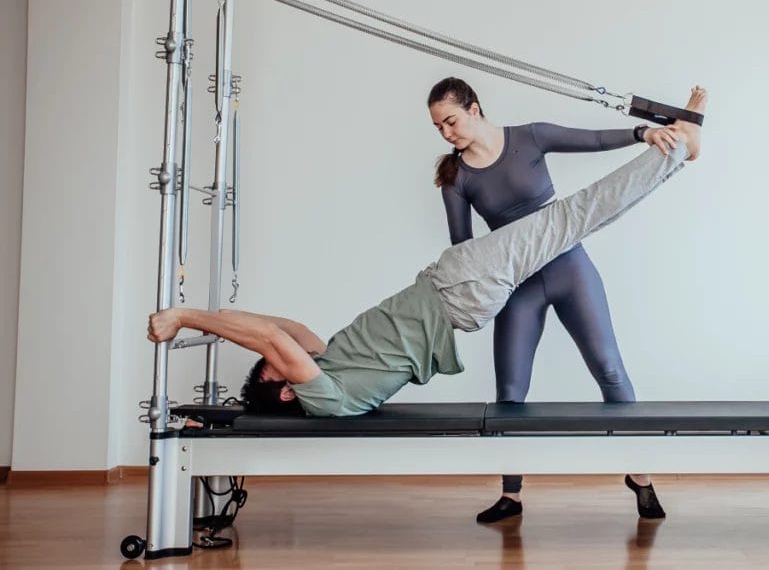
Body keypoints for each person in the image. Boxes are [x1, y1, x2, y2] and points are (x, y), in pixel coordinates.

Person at [147, 86, 706, 495]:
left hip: (457, 278)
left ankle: (674, 151)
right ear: (291, 390)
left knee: (574, 225)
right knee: (574, 218)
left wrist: (222, 320)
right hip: (461, 288)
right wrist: (187, 317)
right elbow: (272, 338)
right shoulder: (325, 395)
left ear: (473, 110)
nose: (291, 357)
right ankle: (680, 148)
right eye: (282, 367)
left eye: (451, 121)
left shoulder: (331, 364)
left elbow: (286, 330)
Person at [428, 77, 677, 522]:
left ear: (475, 108)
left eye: (451, 121)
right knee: (511, 391)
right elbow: (463, 248)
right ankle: (512, 495)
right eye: (439, 128)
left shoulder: (530, 137)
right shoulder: (457, 178)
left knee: (610, 368)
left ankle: (640, 477)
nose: (447, 133)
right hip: (516, 284)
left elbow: (594, 140)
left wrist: (644, 133)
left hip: (569, 269)